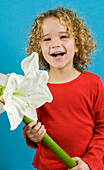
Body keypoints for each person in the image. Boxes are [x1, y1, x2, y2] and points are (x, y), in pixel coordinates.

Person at [23, 7, 104, 170]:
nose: (55, 44)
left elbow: (102, 129)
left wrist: (89, 163)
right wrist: (31, 135)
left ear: (77, 45)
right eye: (47, 39)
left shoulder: (93, 83)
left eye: (63, 36)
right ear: (39, 49)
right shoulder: (34, 86)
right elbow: (31, 125)